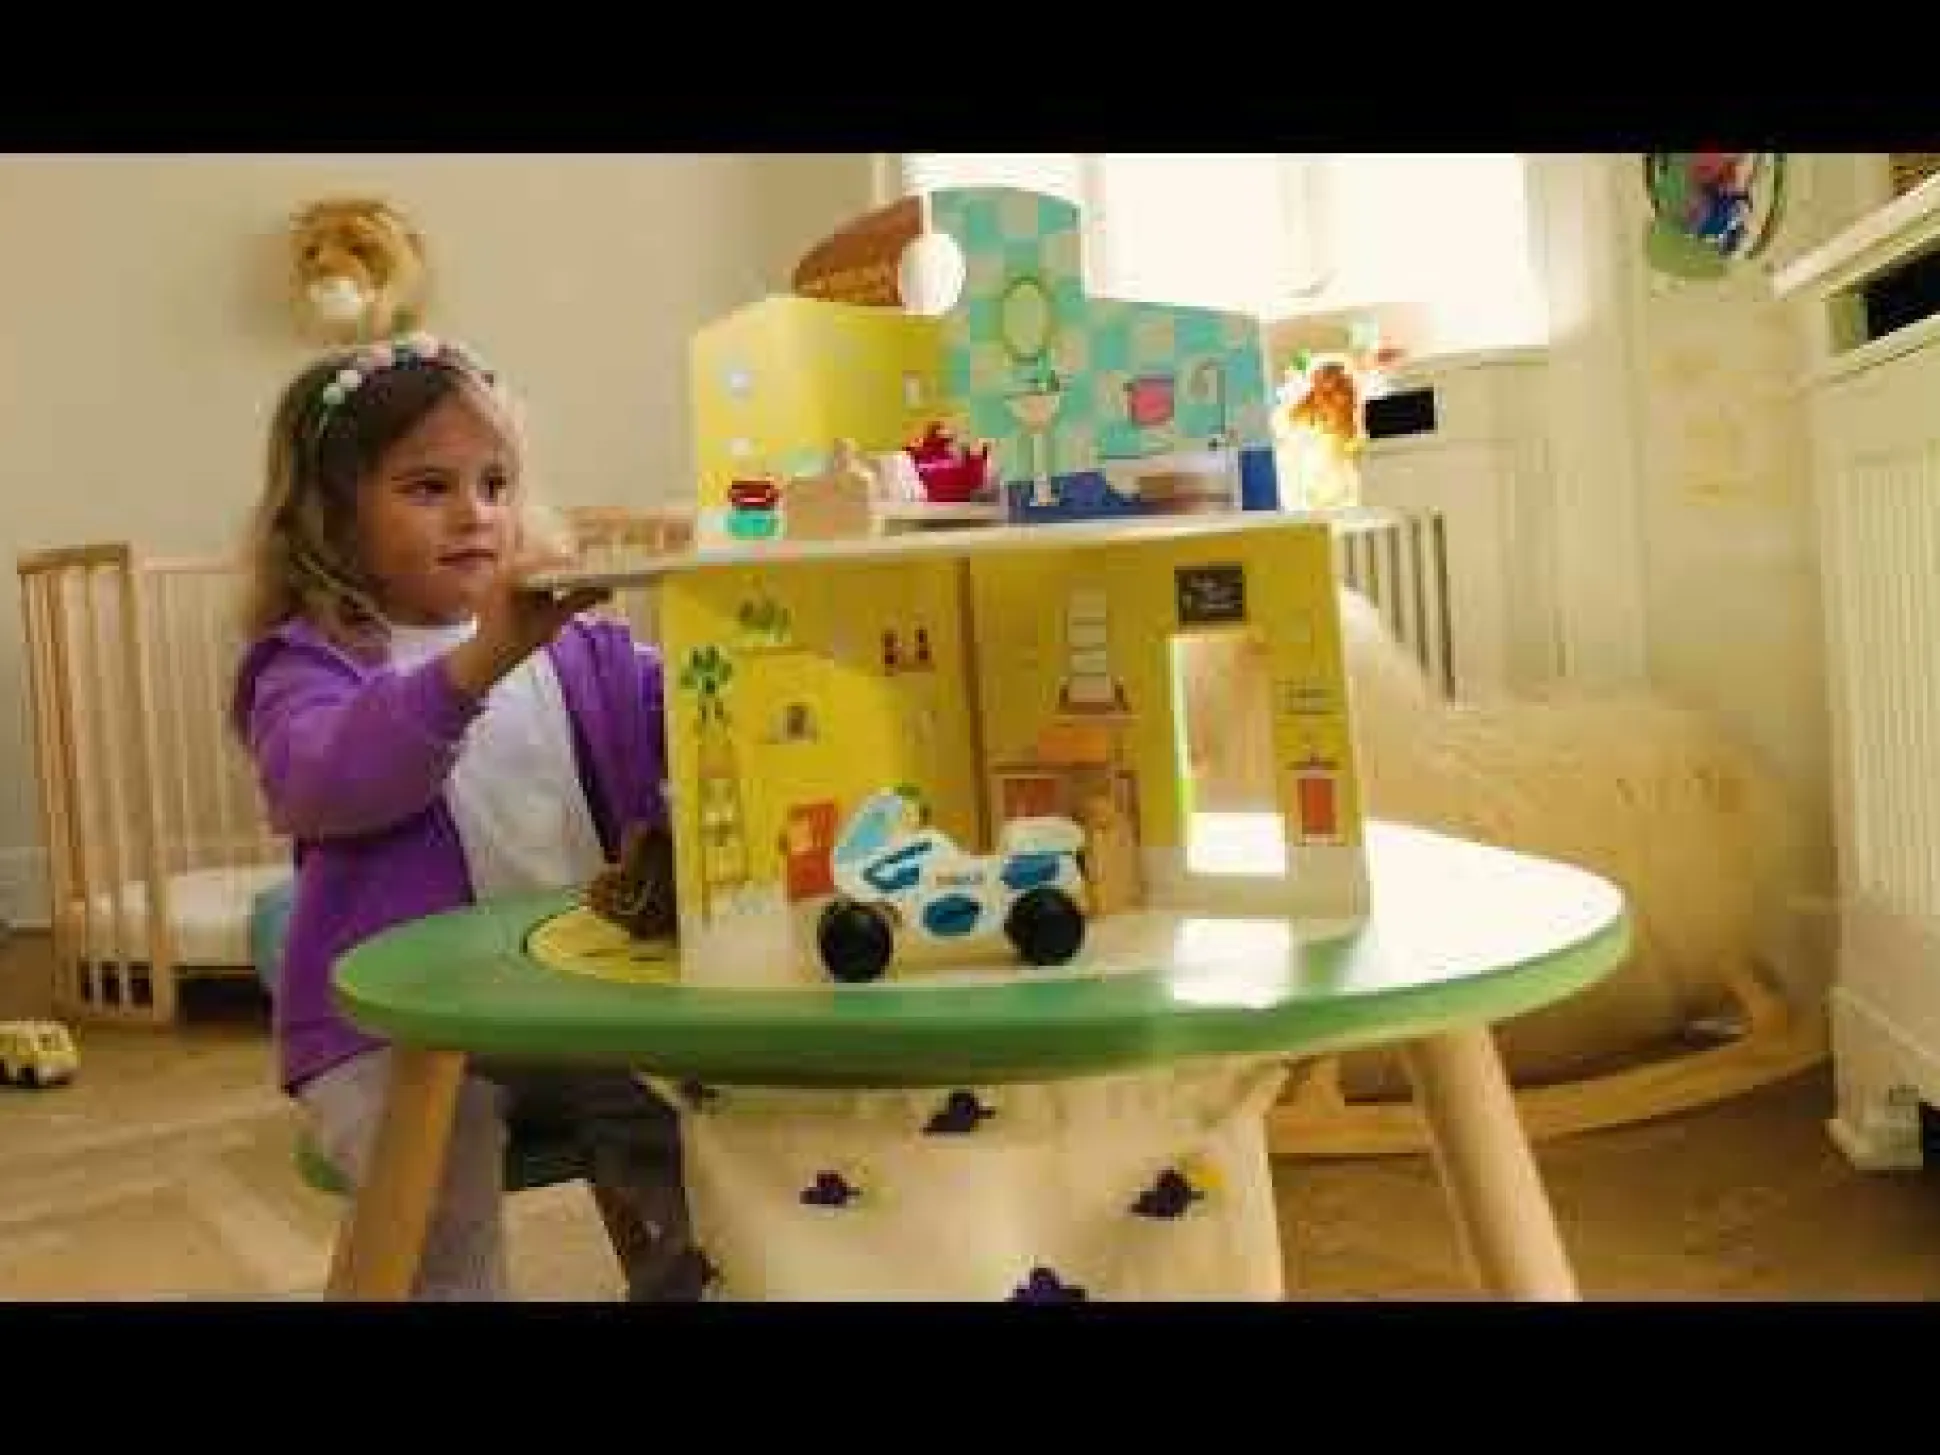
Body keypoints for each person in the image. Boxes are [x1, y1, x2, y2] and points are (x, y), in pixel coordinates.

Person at [230, 331, 701, 1301]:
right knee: (437, 1183)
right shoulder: (306, 666)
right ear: (332, 515)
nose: (474, 513)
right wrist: (483, 658)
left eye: (495, 484)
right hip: (393, 1032)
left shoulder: (582, 650)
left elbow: (694, 722)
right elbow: (328, 777)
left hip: (583, 1005)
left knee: (704, 1133)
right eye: (427, 487)